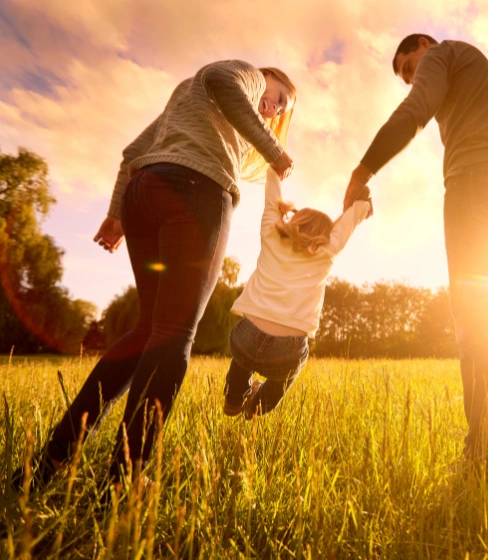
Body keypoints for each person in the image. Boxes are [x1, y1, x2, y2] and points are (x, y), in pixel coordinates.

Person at [15, 60, 297, 489]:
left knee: (148, 330)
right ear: (265, 76)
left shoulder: (189, 98)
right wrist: (273, 149)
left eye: (280, 110)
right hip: (196, 193)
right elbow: (223, 80)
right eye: (278, 97)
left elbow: (132, 154)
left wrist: (116, 215)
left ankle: (49, 463)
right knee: (174, 334)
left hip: (144, 195)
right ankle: (123, 481)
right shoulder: (244, 74)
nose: (273, 109)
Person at [343, 34, 488, 464]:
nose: (413, 79)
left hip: (476, 185)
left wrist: (363, 170)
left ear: (425, 46)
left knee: (478, 317)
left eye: (411, 68)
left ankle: (486, 452)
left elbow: (416, 110)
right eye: (407, 76)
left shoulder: (443, 54)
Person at [222, 169, 371, 419]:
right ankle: (257, 406)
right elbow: (347, 225)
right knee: (282, 380)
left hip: (247, 336)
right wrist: (362, 203)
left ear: (294, 221)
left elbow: (272, 200)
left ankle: (234, 399)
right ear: (326, 235)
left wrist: (274, 172)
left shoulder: (271, 234)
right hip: (287, 349)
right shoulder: (327, 252)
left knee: (242, 360)